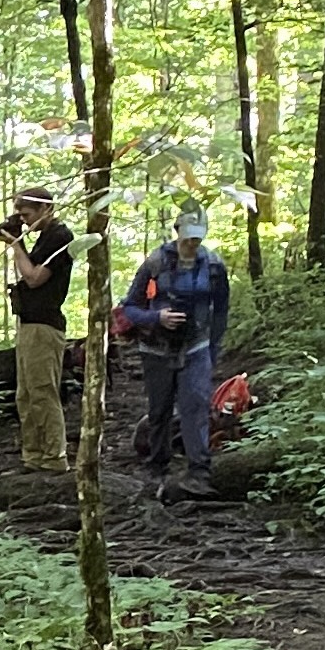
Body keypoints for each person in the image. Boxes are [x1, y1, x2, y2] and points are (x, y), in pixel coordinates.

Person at [114, 209, 232, 497]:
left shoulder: (214, 265)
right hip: (155, 348)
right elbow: (129, 307)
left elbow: (221, 312)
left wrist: (213, 349)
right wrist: (157, 318)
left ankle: (199, 472)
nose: (192, 243)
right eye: (188, 236)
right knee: (160, 409)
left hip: (197, 346)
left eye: (197, 238)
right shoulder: (155, 262)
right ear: (177, 231)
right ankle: (157, 467)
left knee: (196, 406)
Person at [0, 189, 76, 470]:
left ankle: (55, 456)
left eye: (27, 215)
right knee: (25, 394)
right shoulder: (42, 239)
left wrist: (15, 244)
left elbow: (35, 277)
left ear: (46, 210)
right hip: (28, 323)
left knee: (43, 391)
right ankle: (34, 455)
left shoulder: (59, 237)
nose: (25, 222)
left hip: (45, 326)